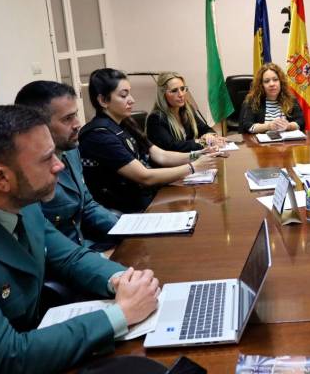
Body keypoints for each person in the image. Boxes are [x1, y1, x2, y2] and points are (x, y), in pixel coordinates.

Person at [0, 105, 160, 373]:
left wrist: (122, 281)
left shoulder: (21, 201)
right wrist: (119, 315)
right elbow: (5, 357)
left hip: (39, 345)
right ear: (1, 178)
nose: (59, 165)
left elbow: (70, 257)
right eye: (47, 158)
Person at [79, 68, 222, 213]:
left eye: (130, 93)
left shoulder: (124, 123)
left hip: (144, 198)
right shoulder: (99, 136)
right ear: (103, 100)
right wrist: (193, 167)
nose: (132, 100)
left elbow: (160, 155)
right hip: (123, 211)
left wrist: (197, 155)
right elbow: (144, 176)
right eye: (123, 95)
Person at [15, 80, 118, 251]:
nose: (78, 124)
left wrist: (126, 229)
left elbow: (87, 205)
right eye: (68, 119)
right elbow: (44, 242)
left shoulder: (70, 149)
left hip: (85, 247)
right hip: (60, 261)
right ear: (38, 125)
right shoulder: (26, 171)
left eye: (75, 114)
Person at [146, 71, 226, 152]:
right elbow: (173, 146)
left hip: (190, 160)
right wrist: (205, 142)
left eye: (182, 89)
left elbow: (205, 129)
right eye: (174, 91)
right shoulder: (156, 119)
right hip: (171, 164)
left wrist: (209, 136)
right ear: (162, 95)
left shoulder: (188, 110)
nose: (181, 94)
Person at [239, 62, 305, 134]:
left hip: (286, 143)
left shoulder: (290, 99)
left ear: (281, 82)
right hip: (260, 144)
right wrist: (268, 126)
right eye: (267, 81)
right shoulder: (253, 101)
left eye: (275, 79)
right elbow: (248, 126)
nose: (272, 84)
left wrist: (288, 126)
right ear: (261, 85)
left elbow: (300, 122)